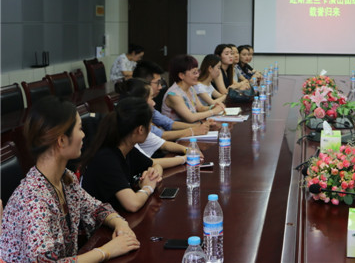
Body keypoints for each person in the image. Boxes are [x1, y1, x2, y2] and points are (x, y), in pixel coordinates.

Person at [0, 96, 140, 262]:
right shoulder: (33, 200)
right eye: (80, 128)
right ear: (62, 140)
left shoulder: (66, 178)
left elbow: (96, 209)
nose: (83, 135)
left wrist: (120, 224)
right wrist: (106, 251)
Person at [81, 97, 164, 212]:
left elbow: (156, 164)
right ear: (140, 129)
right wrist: (148, 187)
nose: (150, 128)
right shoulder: (106, 158)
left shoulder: (127, 148)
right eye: (149, 123)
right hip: (98, 221)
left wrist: (152, 174)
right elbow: (132, 204)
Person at [116, 79, 204, 165]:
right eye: (151, 98)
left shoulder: (137, 126)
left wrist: (187, 150)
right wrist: (185, 158)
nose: (154, 103)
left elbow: (163, 144)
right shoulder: (129, 137)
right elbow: (150, 162)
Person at [133, 60, 213, 140]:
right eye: (157, 83)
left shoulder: (191, 89)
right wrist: (193, 130)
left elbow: (169, 123)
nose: (160, 87)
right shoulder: (173, 94)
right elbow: (161, 135)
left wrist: (198, 126)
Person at [162, 54, 225, 123]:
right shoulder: (174, 95)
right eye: (194, 73)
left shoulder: (191, 88)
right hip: (180, 129)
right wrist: (213, 111)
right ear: (181, 75)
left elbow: (200, 108)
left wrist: (212, 107)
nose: (198, 75)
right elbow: (191, 117)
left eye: (198, 71)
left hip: (193, 126)